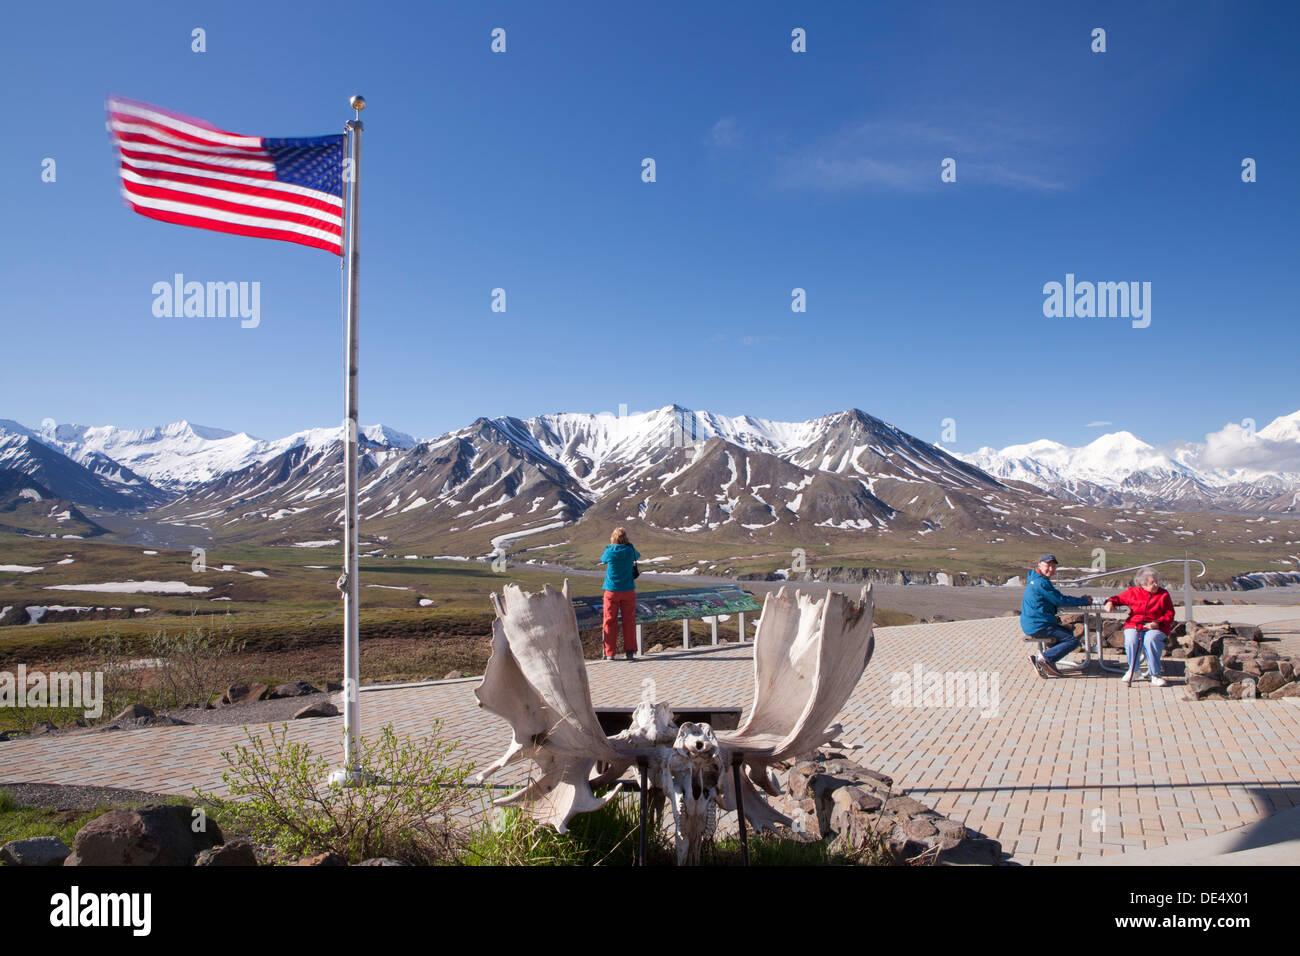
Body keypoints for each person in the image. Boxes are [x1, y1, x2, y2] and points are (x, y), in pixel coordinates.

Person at [1021, 554, 1093, 678]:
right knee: (1073, 641)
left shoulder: (1035, 578)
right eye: (1048, 565)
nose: (1051, 569)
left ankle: (1047, 661)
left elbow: (1054, 599)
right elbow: (1060, 600)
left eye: (1053, 566)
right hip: (1039, 624)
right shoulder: (1041, 583)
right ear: (1039, 565)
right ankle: (1044, 659)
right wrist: (1084, 601)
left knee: (1067, 633)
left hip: (1032, 622)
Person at [1104, 567, 1175, 687]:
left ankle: (1155, 674)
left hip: (1157, 626)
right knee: (1131, 640)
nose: (1156, 584)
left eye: (1156, 581)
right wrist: (1110, 602)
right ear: (1143, 584)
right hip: (1135, 624)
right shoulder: (1133, 592)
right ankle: (1133, 670)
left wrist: (1157, 622)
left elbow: (1170, 614)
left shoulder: (1163, 594)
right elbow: (1117, 598)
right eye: (1152, 582)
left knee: (1150, 640)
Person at [598, 527, 640, 661]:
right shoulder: (630, 550)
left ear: (613, 538)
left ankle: (610, 653)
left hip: (612, 591)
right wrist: (630, 545)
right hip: (628, 590)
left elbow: (603, 559)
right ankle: (630, 652)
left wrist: (610, 546)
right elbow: (637, 556)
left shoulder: (610, 551)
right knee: (629, 621)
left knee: (609, 621)